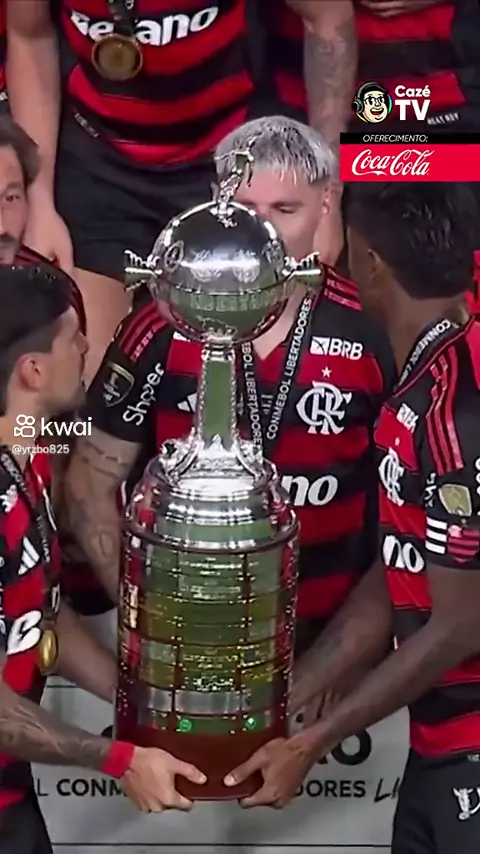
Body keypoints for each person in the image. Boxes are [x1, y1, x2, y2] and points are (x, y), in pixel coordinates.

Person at [64, 116, 396, 682]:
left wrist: (332, 668)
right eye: (244, 208)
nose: (259, 232)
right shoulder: (161, 322)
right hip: (186, 641)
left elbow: (403, 521)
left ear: (327, 204)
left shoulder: (371, 326)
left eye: (284, 210)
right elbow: (88, 484)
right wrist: (153, 620)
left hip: (326, 648)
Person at [224, 183, 480, 854]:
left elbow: (463, 621)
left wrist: (315, 739)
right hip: (437, 751)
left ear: (368, 262)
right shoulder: (426, 373)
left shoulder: (456, 407)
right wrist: (291, 699)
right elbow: (400, 571)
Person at [6, 0, 355, 385]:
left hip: (229, 161)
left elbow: (328, 17)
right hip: (100, 161)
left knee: (243, 380)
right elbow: (29, 35)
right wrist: (39, 198)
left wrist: (328, 195)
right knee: (78, 379)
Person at [0, 265, 208, 853]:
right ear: (33, 370)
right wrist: (118, 757)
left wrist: (139, 700)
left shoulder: (31, 455)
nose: (88, 347)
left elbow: (40, 615)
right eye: (72, 338)